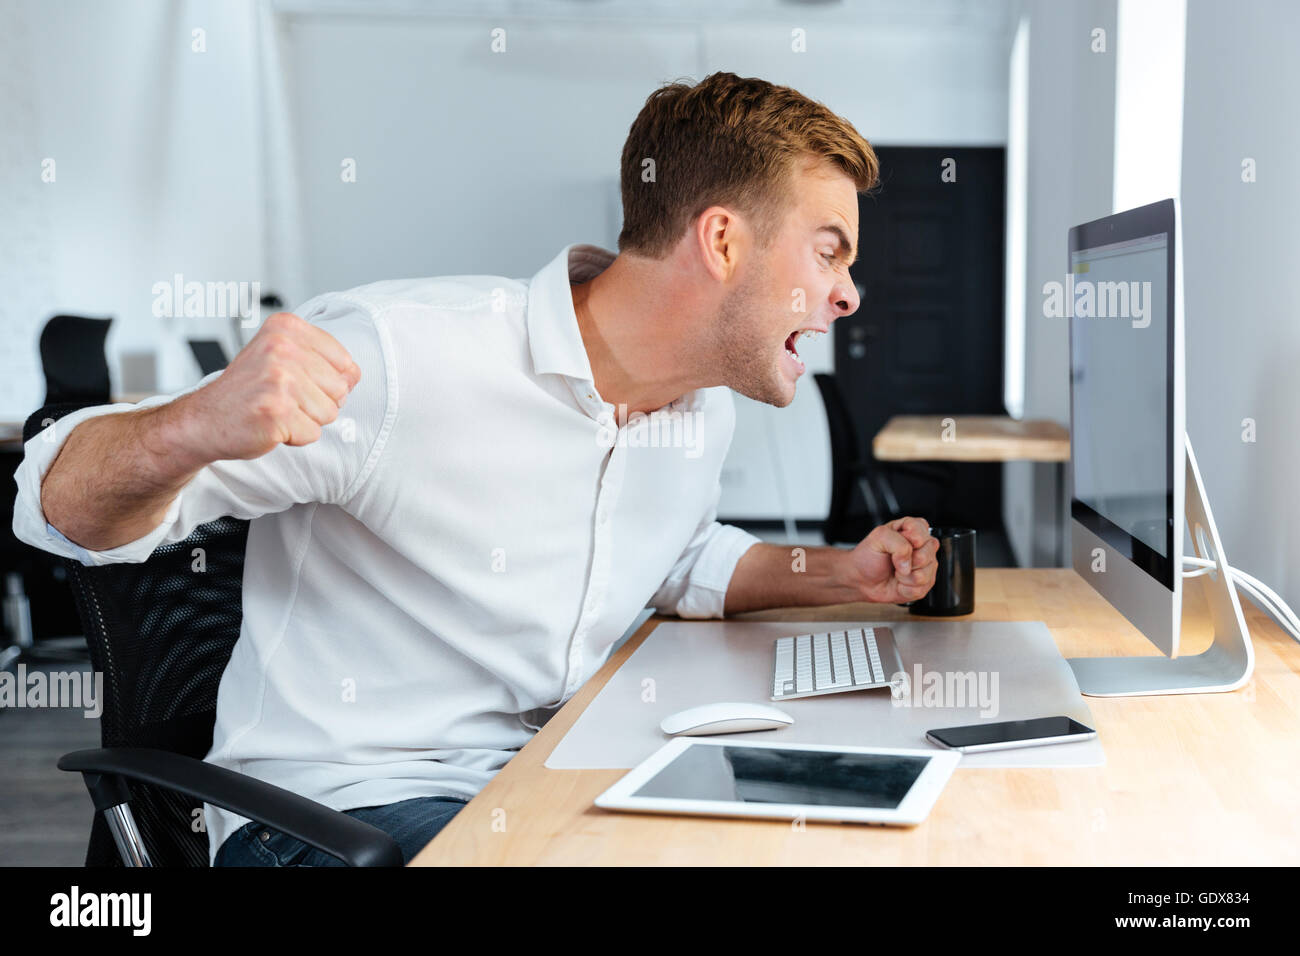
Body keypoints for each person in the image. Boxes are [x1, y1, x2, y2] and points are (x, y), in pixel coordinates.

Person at [13, 71, 939, 866]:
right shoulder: (405, 356)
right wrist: (194, 424)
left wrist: (841, 574)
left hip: (541, 779)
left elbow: (680, 559)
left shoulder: (700, 414)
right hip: (336, 815)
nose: (848, 292)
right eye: (828, 253)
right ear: (724, 242)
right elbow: (56, 502)